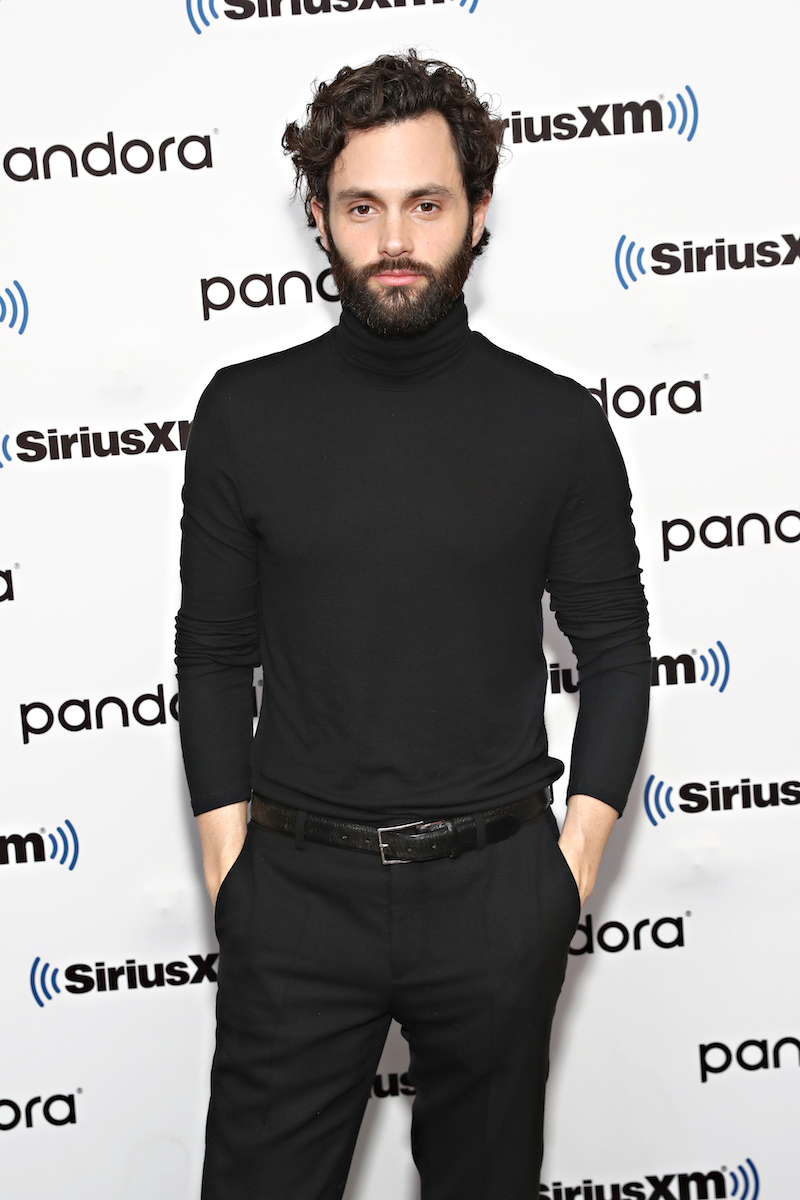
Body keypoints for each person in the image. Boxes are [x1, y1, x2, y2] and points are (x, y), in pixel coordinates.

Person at [175, 50, 650, 1200]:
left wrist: (564, 875)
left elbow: (617, 656)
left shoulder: (553, 425)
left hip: (495, 896)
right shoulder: (245, 411)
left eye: (425, 203)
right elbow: (210, 658)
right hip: (293, 896)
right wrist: (233, 875)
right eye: (362, 205)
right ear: (320, 216)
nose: (394, 236)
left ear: (476, 210)